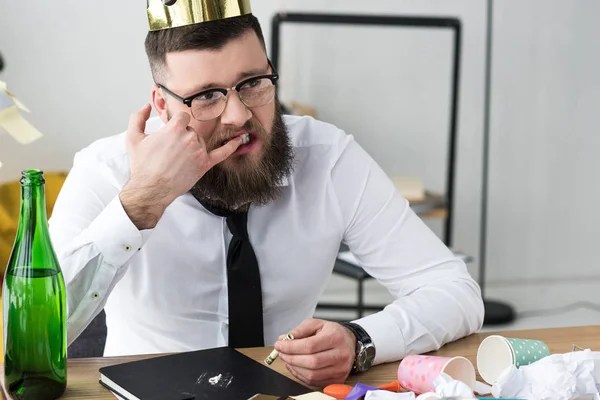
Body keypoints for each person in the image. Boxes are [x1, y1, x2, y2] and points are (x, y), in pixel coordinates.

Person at [48, 0, 484, 388]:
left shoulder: (329, 157)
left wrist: (361, 340)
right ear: (162, 107)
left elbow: (454, 291)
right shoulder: (105, 171)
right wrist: (139, 204)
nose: (239, 115)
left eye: (253, 82)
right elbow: (28, 334)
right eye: (206, 96)